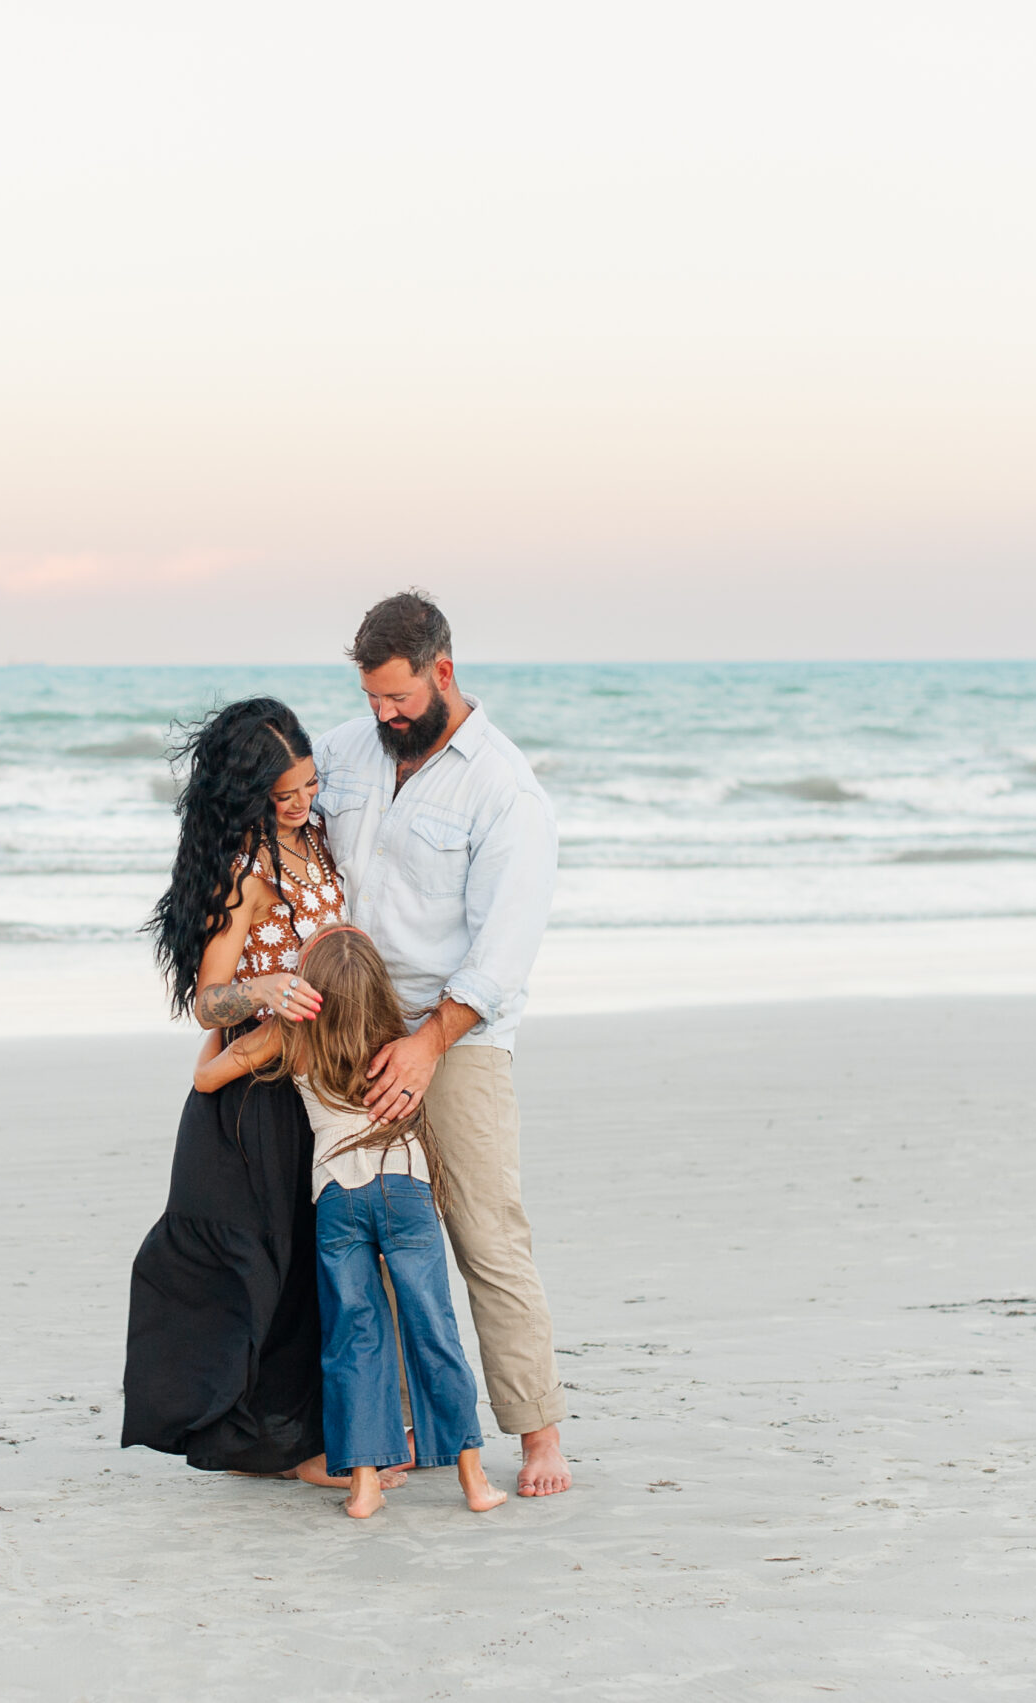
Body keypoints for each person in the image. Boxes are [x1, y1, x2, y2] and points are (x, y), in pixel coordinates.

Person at [313, 590, 574, 1497]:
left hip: (457, 1035)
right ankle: (379, 1432)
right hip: (347, 1029)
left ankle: (538, 1432)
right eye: (371, 698)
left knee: (483, 1232)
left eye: (397, 698)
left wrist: (428, 1046)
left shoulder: (504, 788)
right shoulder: (348, 751)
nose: (383, 715)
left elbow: (502, 949)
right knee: (355, 1230)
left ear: (444, 672)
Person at [123, 697, 377, 1485]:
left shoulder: (319, 843)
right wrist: (264, 987)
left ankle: (310, 1434)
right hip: (252, 1101)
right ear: (247, 798)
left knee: (312, 1263)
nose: (302, 805)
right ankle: (292, 1450)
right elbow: (206, 999)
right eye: (284, 796)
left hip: (318, 1084)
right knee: (266, 1269)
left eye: (308, 786)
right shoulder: (245, 870)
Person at [194, 924, 509, 1520]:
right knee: (433, 1330)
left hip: (337, 1196)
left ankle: (364, 1485)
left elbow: (206, 1079)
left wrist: (226, 1025)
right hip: (407, 1190)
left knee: (353, 1337)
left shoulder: (288, 1037)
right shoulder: (402, 1034)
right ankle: (473, 1478)